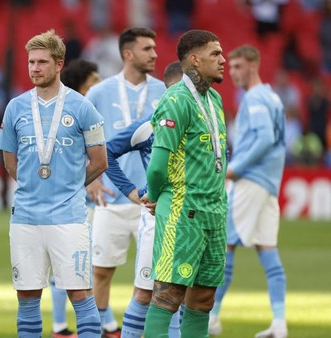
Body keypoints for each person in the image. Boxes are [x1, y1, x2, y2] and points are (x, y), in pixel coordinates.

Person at [0, 29, 107, 338]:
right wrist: (35, 185)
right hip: (26, 219)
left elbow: (100, 161)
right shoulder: (15, 107)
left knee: (81, 295)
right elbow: (10, 162)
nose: (35, 68)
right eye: (31, 62)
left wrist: (71, 185)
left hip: (69, 218)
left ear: (59, 64)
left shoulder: (82, 107)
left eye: (42, 62)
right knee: (28, 298)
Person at [142, 29, 228, 337]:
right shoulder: (176, 99)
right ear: (195, 59)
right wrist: (153, 197)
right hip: (184, 212)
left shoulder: (214, 98)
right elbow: (156, 167)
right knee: (168, 294)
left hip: (214, 212)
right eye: (215, 54)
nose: (223, 60)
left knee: (204, 299)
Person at [84, 26, 166, 338]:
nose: (155, 54)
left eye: (155, 48)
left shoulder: (164, 91)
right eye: (148, 49)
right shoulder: (100, 92)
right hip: (114, 198)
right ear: (127, 53)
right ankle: (103, 331)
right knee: (101, 272)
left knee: (154, 280)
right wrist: (90, 179)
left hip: (155, 203)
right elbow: (80, 138)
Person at [209, 45, 288, 338]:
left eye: (238, 66)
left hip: (250, 181)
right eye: (231, 67)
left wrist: (237, 168)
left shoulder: (254, 98)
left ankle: (213, 317)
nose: (232, 72)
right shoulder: (272, 97)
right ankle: (279, 323)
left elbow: (266, 137)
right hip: (268, 183)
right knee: (268, 251)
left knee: (224, 247)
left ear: (253, 66)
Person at [102, 60, 184, 338]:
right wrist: (131, 191)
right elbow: (107, 153)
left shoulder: (205, 124)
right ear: (169, 90)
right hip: (157, 219)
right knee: (145, 292)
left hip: (194, 219)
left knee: (189, 296)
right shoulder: (150, 125)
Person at [48, 58, 102, 338]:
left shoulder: (87, 111)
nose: (99, 85)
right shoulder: (71, 114)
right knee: (76, 266)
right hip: (74, 200)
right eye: (94, 81)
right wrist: (88, 181)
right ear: (82, 85)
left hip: (84, 199)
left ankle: (69, 325)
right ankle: (65, 326)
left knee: (81, 267)